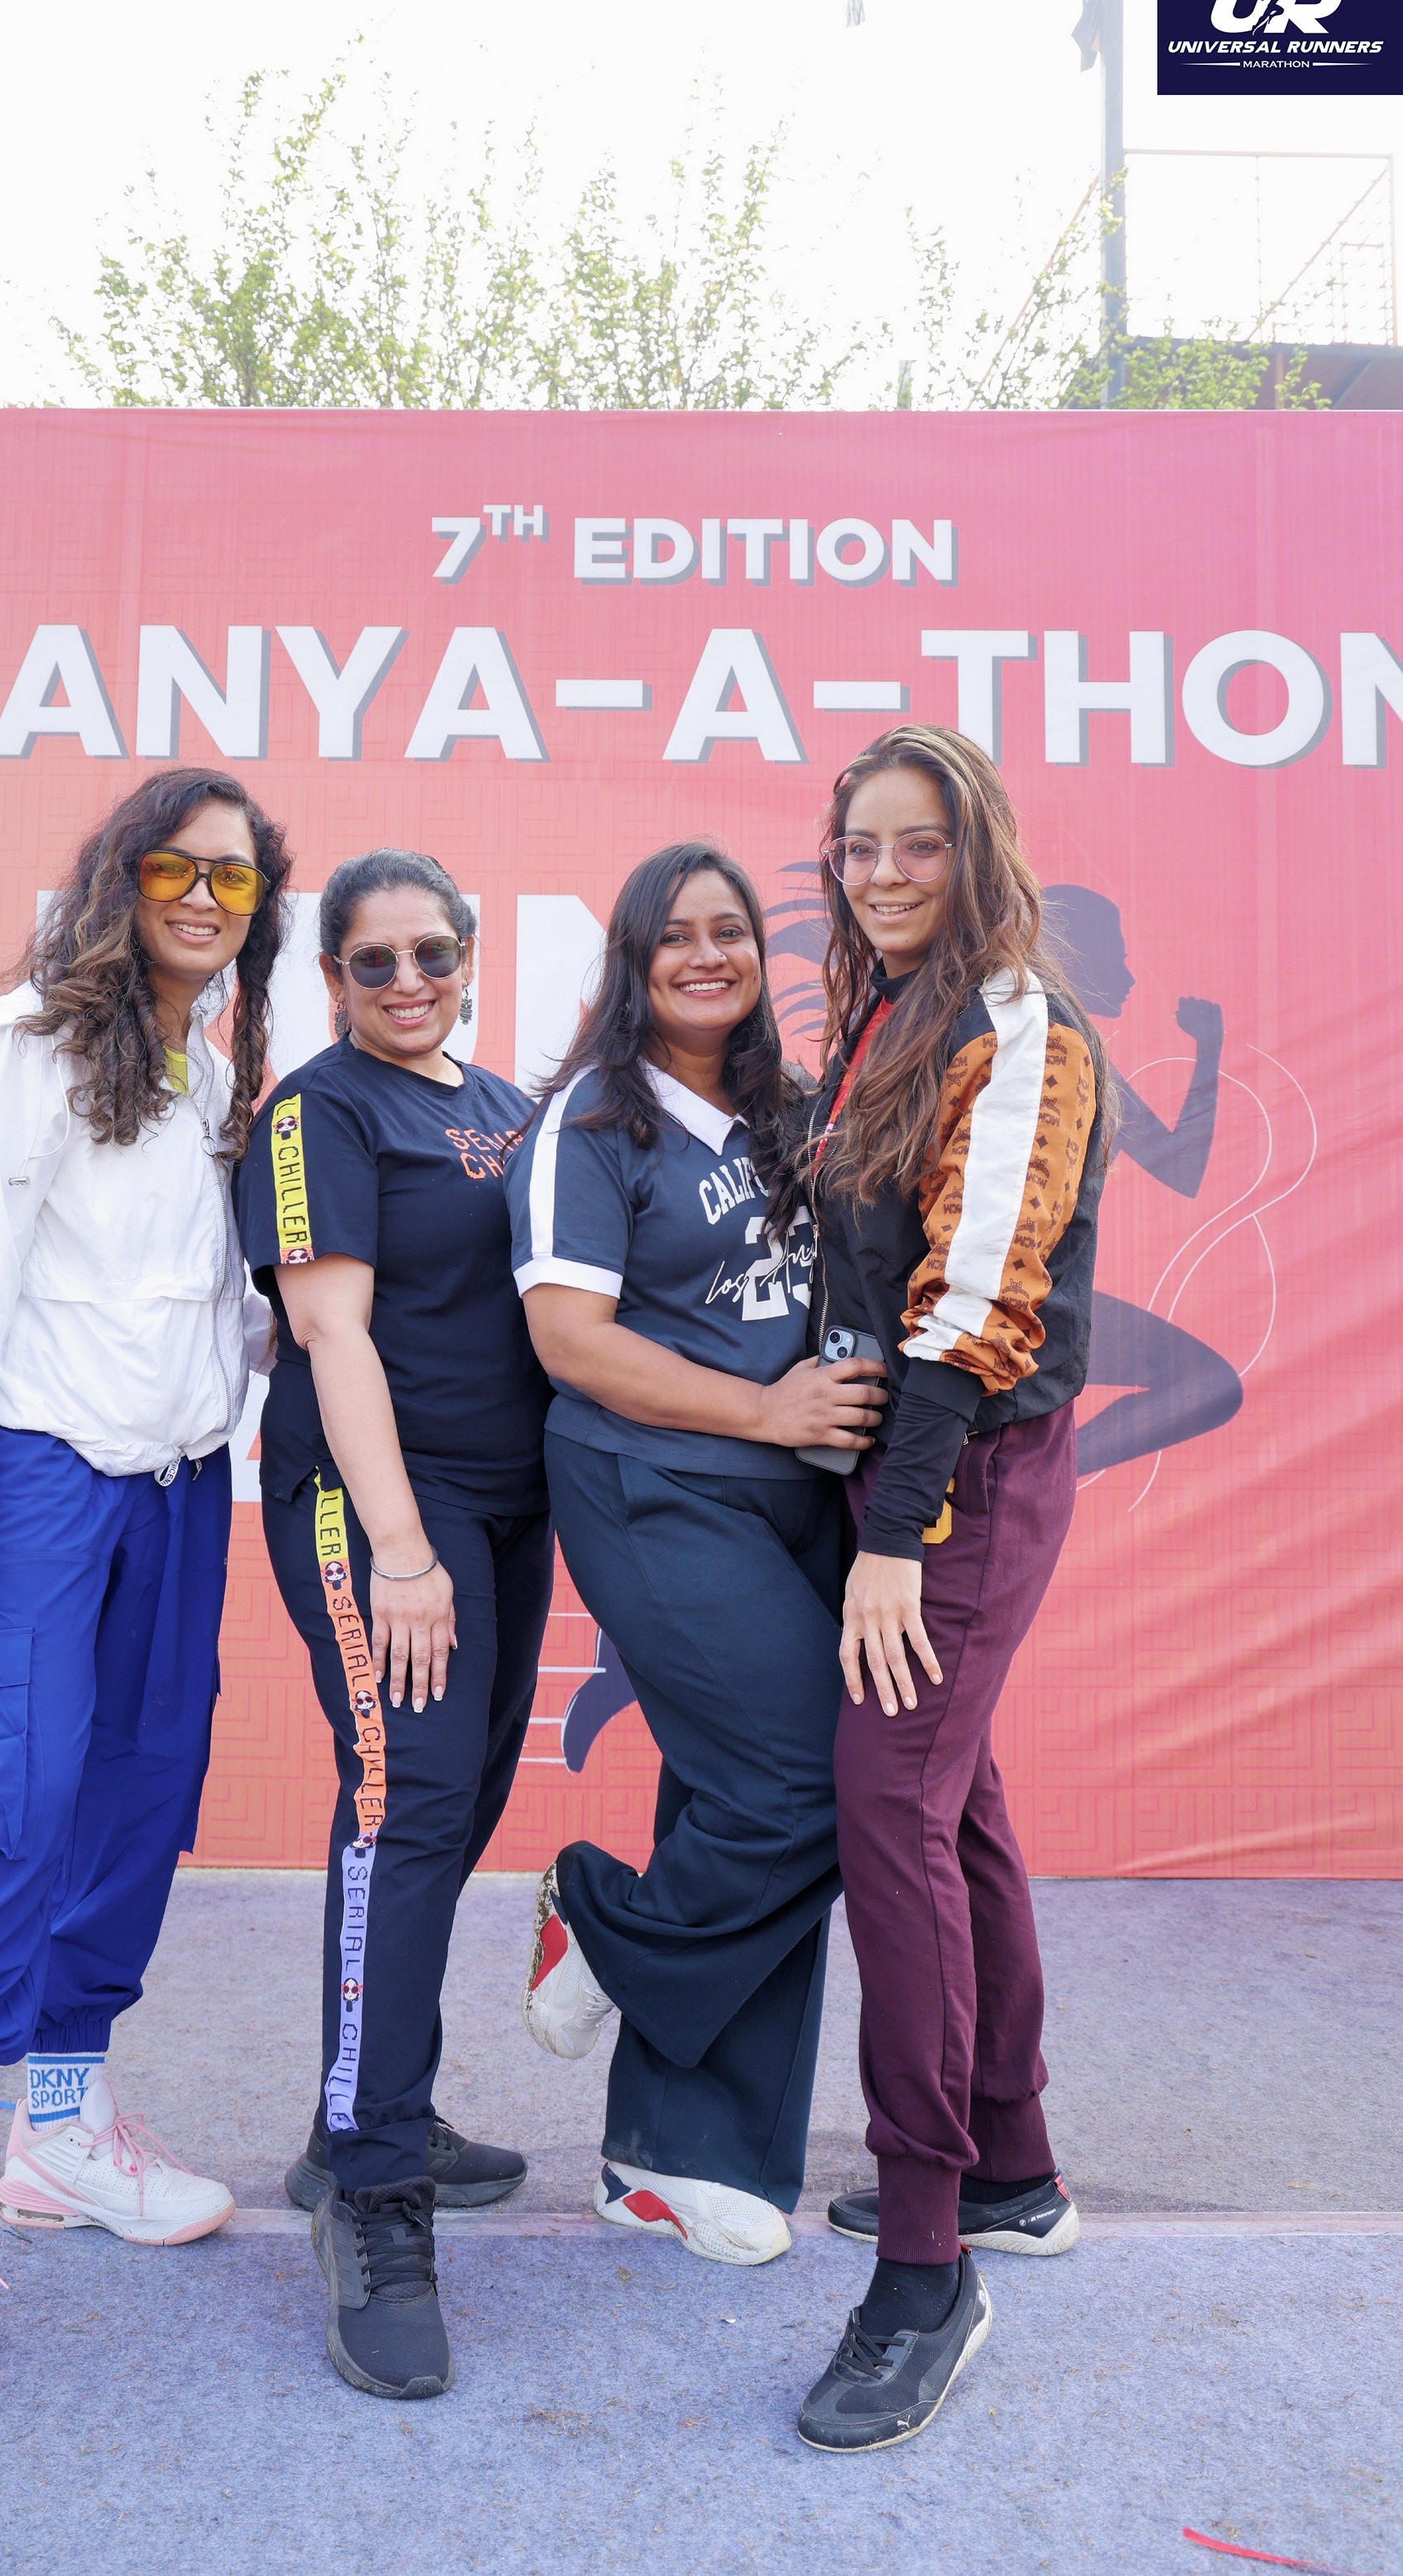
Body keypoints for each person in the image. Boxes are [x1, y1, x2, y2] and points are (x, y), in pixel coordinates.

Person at [0, 768, 286, 2420]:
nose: (204, 897)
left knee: (145, 1786)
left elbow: (212, 1301)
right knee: (17, 1793)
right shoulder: (35, 1040)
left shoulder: (214, 1070)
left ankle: (62, 2127)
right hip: (39, 1473)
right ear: (122, 878)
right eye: (177, 867)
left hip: (183, 1482)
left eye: (234, 878)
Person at [780, 725, 1111, 2455]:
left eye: (918, 845)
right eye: (861, 848)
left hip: (959, 1478)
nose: (886, 874)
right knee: (954, 1802)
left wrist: (896, 1533)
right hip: (903, 1476)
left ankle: (926, 2266)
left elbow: (977, 1301)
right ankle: (1010, 2163)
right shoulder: (895, 1016)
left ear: (979, 852)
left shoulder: (1020, 1026)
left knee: (891, 1813)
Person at [507, 841, 886, 2269]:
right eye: (675, 935)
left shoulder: (788, 1109)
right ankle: (604, 1919)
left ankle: (675, 2156)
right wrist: (768, 1410)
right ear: (632, 960)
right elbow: (571, 1341)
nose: (708, 954)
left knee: (736, 1794)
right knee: (808, 1780)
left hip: (794, 1495)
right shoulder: (591, 1123)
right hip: (656, 1484)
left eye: (731, 930)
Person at [235, 849, 554, 2403]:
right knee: (405, 1808)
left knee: (455, 1801)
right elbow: (328, 1327)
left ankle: (363, 2105)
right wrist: (406, 1550)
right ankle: (373, 2190)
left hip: (506, 1510)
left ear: (470, 956)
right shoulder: (319, 1113)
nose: (409, 980)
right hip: (382, 1513)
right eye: (375, 960)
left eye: (434, 952)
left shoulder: (500, 1100)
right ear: (331, 978)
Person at [1042, 885, 1240, 1470]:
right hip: (1005, 1293)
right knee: (1204, 1381)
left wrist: (1209, 1051)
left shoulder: (1088, 1060)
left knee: (1204, 1383)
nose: (1129, 976)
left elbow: (1180, 1168)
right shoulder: (1018, 1044)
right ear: (1073, 957)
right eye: (1116, 955)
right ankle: (1039, 1475)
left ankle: (1042, 1476)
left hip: (1045, 1289)